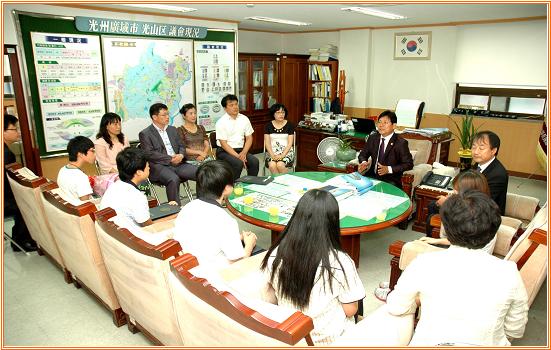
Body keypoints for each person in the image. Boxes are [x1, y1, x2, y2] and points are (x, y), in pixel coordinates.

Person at [385, 190, 528, 346]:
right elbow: (515, 329)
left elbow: (397, 307)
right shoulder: (509, 272)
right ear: (492, 231)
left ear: (445, 229)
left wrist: (419, 300)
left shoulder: (425, 263)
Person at [260, 189, 365, 345]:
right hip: (327, 340)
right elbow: (350, 310)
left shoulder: (276, 254)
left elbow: (270, 297)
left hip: (291, 335)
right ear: (333, 223)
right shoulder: (341, 262)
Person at [173, 160, 257, 268]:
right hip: (213, 277)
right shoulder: (225, 220)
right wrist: (250, 244)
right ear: (227, 188)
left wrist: (237, 237)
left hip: (187, 269)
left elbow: (205, 236)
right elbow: (238, 263)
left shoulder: (187, 208)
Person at [139, 103, 198, 205]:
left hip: (178, 163)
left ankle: (203, 204)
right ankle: (175, 211)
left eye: (168, 114)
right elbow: (149, 154)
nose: (167, 117)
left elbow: (182, 146)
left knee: (201, 172)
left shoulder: (172, 129)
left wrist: (181, 155)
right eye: (164, 115)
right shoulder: (145, 133)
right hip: (159, 166)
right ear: (154, 117)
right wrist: (169, 158)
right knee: (173, 179)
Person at [3, 114, 37, 252]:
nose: (18, 132)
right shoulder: (5, 153)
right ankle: (21, 241)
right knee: (26, 203)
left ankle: (21, 238)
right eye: (14, 129)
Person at [357, 110, 413, 188]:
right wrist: (363, 162)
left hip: (391, 180)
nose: (381, 125)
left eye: (385, 123)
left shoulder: (400, 143)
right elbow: (363, 154)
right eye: (379, 122)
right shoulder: (373, 138)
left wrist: (389, 169)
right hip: (372, 176)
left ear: (394, 126)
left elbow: (408, 164)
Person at [100, 147, 154, 228]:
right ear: (139, 172)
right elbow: (150, 227)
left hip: (117, 235)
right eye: (147, 166)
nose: (149, 168)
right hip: (136, 236)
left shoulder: (114, 186)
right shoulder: (137, 196)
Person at [215, 94, 259, 180]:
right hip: (224, 151)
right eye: (231, 105)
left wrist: (243, 153)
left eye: (236, 104)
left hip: (241, 150)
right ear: (225, 108)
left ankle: (251, 184)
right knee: (238, 163)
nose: (235, 107)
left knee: (254, 161)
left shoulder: (244, 118)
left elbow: (249, 138)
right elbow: (223, 144)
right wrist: (239, 157)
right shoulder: (221, 122)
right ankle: (232, 186)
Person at [472, 130, 508, 214]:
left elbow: (482, 203)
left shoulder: (498, 174)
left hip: (486, 217)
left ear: (493, 151)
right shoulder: (478, 164)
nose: (476, 152)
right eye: (474, 147)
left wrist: (451, 203)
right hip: (472, 209)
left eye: (481, 148)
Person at [57, 136, 95, 202]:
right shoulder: (81, 177)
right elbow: (86, 204)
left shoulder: (63, 169)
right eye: (92, 151)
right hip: (79, 209)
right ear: (80, 154)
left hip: (69, 207)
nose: (95, 154)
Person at [264, 103, 295, 174]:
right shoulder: (268, 126)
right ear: (273, 114)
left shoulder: (289, 125)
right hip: (272, 152)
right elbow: (267, 143)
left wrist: (282, 155)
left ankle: (285, 182)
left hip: (287, 152)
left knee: (280, 165)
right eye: (278, 112)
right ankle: (278, 183)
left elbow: (290, 143)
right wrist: (272, 155)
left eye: (283, 112)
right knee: (272, 165)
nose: (281, 115)